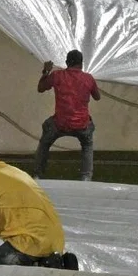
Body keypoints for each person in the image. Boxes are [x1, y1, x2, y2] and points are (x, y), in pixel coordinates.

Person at [0, 130, 77, 269]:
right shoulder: (16, 172)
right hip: (55, 241)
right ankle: (47, 263)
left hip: (28, 242)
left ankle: (38, 263)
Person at [34, 50, 100, 181]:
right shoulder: (88, 78)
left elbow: (40, 88)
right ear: (81, 64)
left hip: (60, 123)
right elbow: (97, 97)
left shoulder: (57, 75)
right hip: (82, 124)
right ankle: (86, 177)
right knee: (87, 144)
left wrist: (45, 72)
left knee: (45, 140)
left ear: (66, 63)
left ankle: (38, 175)